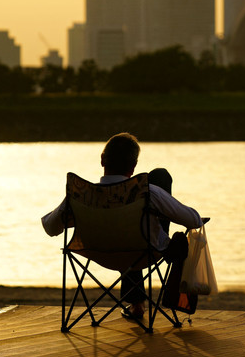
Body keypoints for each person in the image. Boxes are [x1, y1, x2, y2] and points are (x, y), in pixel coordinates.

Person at [42, 132, 202, 320]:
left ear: (102, 160)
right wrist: (160, 209)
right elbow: (194, 221)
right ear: (133, 167)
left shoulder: (81, 195)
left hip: (97, 253)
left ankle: (136, 303)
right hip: (145, 252)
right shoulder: (149, 192)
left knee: (126, 227)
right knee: (160, 176)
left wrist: (79, 215)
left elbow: (50, 228)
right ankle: (138, 302)